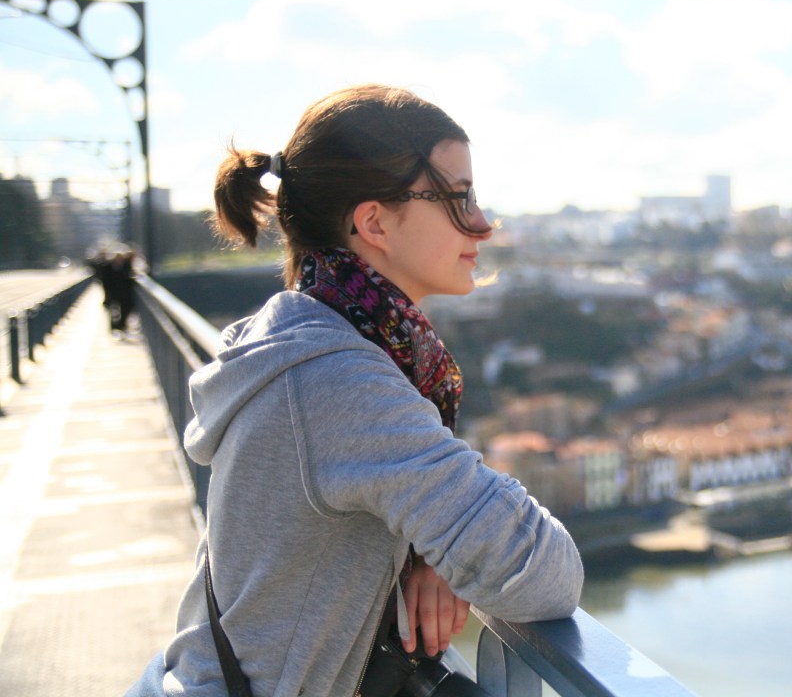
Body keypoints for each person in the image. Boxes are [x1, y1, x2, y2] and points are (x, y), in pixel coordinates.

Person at [128, 84, 583, 696]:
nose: (482, 224)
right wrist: (456, 541)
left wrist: (432, 546)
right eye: (458, 198)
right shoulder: (338, 381)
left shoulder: (298, 338)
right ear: (373, 222)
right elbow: (546, 573)